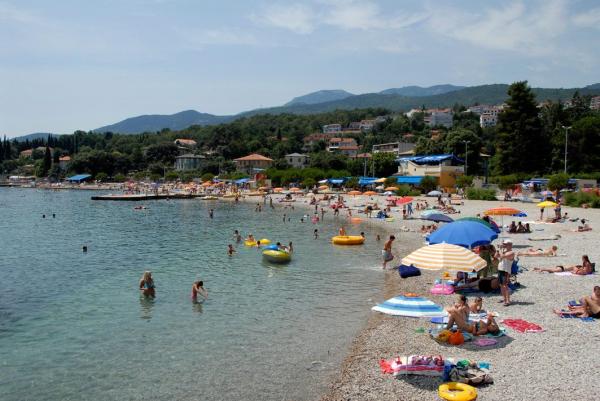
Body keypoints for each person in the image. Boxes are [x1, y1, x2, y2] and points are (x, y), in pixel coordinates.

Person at [495, 239, 514, 306]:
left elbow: (503, 256)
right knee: (501, 285)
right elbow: (496, 256)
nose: (504, 245)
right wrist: (498, 250)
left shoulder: (511, 252)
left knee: (505, 286)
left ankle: (508, 300)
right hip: (500, 270)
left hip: (506, 271)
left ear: (510, 245)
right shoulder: (504, 251)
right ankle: (504, 298)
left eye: (505, 244)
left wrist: (500, 249)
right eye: (504, 244)